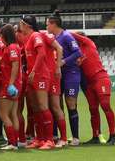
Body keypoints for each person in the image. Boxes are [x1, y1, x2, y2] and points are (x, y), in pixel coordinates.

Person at [71, 31, 115, 145]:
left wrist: (64, 32)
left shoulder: (88, 42)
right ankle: (95, 136)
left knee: (105, 105)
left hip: (101, 78)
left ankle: (113, 135)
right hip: (90, 83)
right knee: (93, 109)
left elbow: (72, 35)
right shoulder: (78, 52)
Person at [47, 10, 82, 146]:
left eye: (47, 25)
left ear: (53, 24)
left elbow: (77, 52)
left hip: (71, 74)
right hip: (58, 75)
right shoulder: (53, 38)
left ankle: (75, 138)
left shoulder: (66, 36)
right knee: (57, 105)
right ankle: (58, 136)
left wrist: (64, 61)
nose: (46, 28)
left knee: (70, 104)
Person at [20, 15, 55, 150]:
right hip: (32, 76)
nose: (19, 26)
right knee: (35, 108)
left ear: (27, 25)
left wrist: (34, 71)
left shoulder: (36, 36)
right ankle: (40, 138)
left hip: (40, 76)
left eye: (21, 23)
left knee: (43, 106)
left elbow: (42, 54)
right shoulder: (28, 38)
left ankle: (49, 140)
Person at [39, 27, 67, 148]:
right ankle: (48, 138)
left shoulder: (43, 34)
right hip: (45, 76)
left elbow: (59, 48)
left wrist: (57, 67)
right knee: (47, 107)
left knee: (55, 106)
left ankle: (64, 138)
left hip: (52, 76)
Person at [0, 24, 22, 150]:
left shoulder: (12, 47)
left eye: (1, 36)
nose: (0, 38)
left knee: (3, 113)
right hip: (15, 84)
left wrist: (11, 83)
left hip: (9, 84)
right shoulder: (14, 47)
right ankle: (14, 142)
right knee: (13, 114)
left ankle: (12, 143)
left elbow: (15, 65)